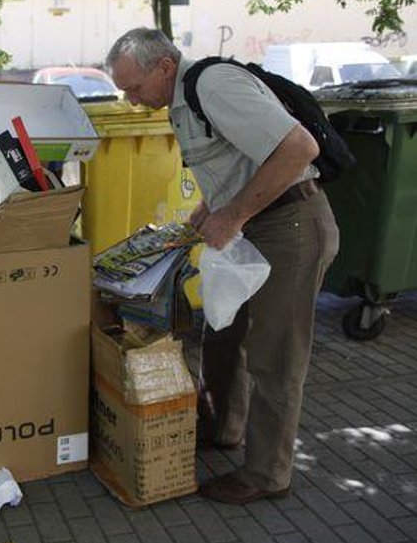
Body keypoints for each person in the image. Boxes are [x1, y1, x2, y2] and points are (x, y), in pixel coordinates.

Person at [106, 28, 340, 504]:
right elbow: (231, 165)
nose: (130, 101)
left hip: (290, 226)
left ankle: (267, 474)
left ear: (164, 67)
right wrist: (202, 216)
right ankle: (220, 429)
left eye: (134, 88)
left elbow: (299, 149)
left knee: (276, 355)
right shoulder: (177, 99)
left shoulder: (213, 85)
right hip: (253, 226)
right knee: (223, 330)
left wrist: (233, 215)